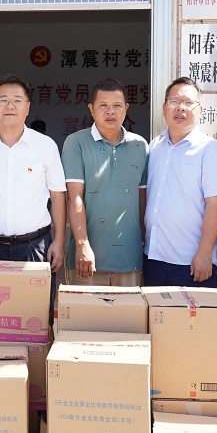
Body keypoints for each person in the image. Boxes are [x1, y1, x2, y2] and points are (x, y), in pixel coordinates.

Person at [0, 74, 66, 273]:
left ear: (27, 107)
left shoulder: (45, 146)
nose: (10, 106)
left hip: (35, 246)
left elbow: (57, 196)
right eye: (3, 100)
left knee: (35, 296)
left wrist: (59, 241)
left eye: (17, 101)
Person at [143, 77, 217, 288]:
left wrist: (205, 253)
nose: (181, 108)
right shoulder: (155, 147)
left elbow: (215, 205)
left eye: (188, 103)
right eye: (174, 101)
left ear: (200, 110)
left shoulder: (210, 150)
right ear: (164, 107)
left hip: (192, 262)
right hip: (153, 258)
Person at [62, 77, 148, 286]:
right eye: (103, 106)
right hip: (86, 261)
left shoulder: (140, 146)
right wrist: (82, 245)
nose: (111, 112)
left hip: (130, 259)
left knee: (129, 309)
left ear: (126, 108)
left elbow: (143, 201)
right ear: (91, 109)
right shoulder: (76, 143)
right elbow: (74, 198)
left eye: (117, 106)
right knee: (83, 309)